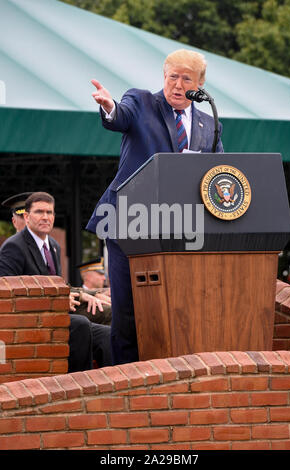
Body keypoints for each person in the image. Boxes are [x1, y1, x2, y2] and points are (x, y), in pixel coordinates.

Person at [86, 49, 224, 365]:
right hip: (127, 224)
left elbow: (217, 172)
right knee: (128, 313)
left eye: (185, 78)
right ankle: (124, 385)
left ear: (199, 84)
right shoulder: (142, 102)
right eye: (171, 76)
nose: (177, 84)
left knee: (170, 311)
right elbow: (119, 116)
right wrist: (109, 107)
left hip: (178, 229)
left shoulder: (209, 124)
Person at [0, 191, 112, 372]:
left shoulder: (52, 245)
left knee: (108, 319)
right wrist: (56, 300)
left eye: (50, 213)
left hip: (59, 310)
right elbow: (9, 295)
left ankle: (113, 382)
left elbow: (60, 286)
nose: (46, 217)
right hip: (35, 318)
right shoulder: (13, 247)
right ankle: (78, 384)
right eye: (39, 212)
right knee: (82, 325)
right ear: (26, 217)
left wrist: (88, 295)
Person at [72, 258, 112, 325]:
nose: (104, 278)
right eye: (100, 274)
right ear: (88, 277)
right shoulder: (76, 295)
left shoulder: (105, 292)